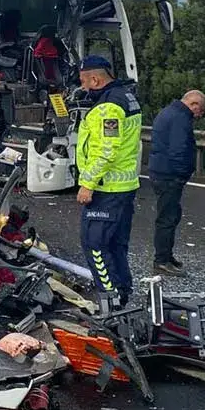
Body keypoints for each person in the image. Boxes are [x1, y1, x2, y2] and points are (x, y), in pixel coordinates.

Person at [74, 55, 143, 306]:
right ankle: (122, 291)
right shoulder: (126, 97)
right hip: (124, 187)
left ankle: (110, 300)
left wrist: (88, 183)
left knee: (94, 244)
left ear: (95, 78)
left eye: (84, 82)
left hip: (107, 189)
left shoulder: (109, 107)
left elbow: (106, 149)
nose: (83, 88)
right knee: (115, 244)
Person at [147, 89, 205, 276]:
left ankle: (166, 255)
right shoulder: (181, 118)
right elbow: (179, 149)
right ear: (194, 104)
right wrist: (183, 174)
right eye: (201, 111)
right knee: (167, 218)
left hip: (161, 171)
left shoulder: (168, 112)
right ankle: (162, 260)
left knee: (169, 215)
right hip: (169, 175)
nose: (199, 115)